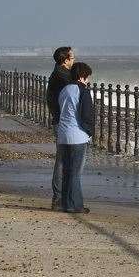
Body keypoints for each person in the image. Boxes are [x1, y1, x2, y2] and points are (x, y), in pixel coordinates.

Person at [57, 61, 94, 214]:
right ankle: (76, 205)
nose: (89, 80)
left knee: (66, 171)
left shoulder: (64, 89)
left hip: (63, 134)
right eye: (88, 77)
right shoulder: (83, 91)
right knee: (76, 173)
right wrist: (90, 131)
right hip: (78, 136)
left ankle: (65, 203)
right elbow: (86, 114)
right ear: (81, 77)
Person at [46, 46, 75, 210]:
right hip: (63, 122)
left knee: (65, 159)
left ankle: (62, 197)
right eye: (72, 58)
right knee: (63, 160)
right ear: (65, 60)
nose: (74, 60)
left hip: (62, 121)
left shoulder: (60, 73)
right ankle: (58, 198)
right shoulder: (62, 75)